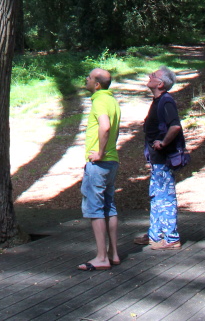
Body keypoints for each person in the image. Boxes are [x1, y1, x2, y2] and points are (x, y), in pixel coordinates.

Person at [135, 66, 185, 250]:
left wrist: (163, 143)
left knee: (165, 197)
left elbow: (175, 127)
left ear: (160, 83)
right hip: (156, 160)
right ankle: (155, 236)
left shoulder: (166, 101)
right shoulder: (157, 101)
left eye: (154, 75)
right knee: (156, 196)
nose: (150, 76)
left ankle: (171, 238)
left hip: (164, 159)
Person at [78, 67, 121, 271]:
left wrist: (100, 153)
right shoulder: (112, 100)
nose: (86, 79)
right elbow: (115, 130)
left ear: (97, 84)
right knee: (109, 207)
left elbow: (105, 127)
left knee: (95, 209)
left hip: (100, 163)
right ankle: (114, 254)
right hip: (112, 162)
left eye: (89, 77)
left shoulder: (99, 101)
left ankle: (101, 257)